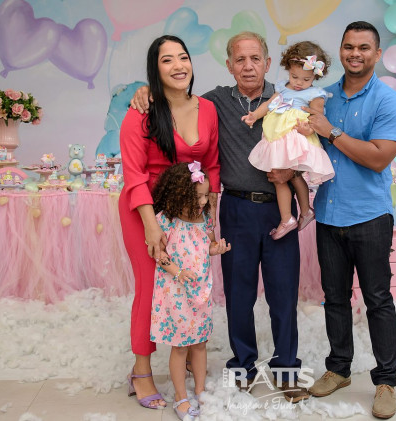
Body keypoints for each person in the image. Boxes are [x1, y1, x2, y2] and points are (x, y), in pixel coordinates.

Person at [131, 31, 310, 403]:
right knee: (238, 295)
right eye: (240, 59)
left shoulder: (287, 98)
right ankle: (243, 366)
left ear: (267, 62)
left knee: (283, 295)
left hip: (279, 210)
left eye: (255, 58)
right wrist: (145, 91)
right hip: (236, 208)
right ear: (229, 65)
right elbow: (176, 97)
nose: (248, 66)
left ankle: (287, 370)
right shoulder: (213, 103)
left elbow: (311, 143)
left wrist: (294, 171)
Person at [304, 22, 396, 420]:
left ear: (377, 54)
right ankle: (339, 368)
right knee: (335, 298)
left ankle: (386, 381)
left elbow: (379, 158)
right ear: (341, 50)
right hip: (329, 215)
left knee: (378, 300)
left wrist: (331, 132)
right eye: (349, 46)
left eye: (364, 47)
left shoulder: (387, 100)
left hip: (370, 216)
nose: (355, 53)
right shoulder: (323, 97)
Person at [120, 35, 220, 410]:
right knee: (151, 287)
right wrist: (151, 226)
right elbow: (133, 174)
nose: (178, 65)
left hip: (189, 214)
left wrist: (209, 215)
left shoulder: (207, 108)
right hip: (145, 209)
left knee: (188, 283)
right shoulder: (141, 111)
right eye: (167, 60)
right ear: (155, 69)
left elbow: (211, 164)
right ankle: (141, 371)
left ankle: (189, 360)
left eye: (183, 57)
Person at [150, 162, 231, 420]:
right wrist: (177, 271)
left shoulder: (204, 219)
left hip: (200, 292)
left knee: (200, 344)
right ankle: (180, 396)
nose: (203, 201)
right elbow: (159, 254)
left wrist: (216, 249)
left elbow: (205, 246)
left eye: (206, 196)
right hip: (176, 293)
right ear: (179, 194)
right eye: (197, 197)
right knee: (180, 347)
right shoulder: (166, 221)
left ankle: (200, 390)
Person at [241, 41, 334, 239]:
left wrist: (308, 129)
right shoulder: (283, 88)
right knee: (286, 176)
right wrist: (254, 115)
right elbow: (269, 104)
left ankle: (292, 216)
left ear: (315, 76)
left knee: (287, 175)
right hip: (277, 135)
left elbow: (317, 117)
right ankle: (303, 212)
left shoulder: (315, 94)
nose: (299, 83)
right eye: (294, 76)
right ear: (288, 69)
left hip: (294, 135)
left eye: (306, 79)